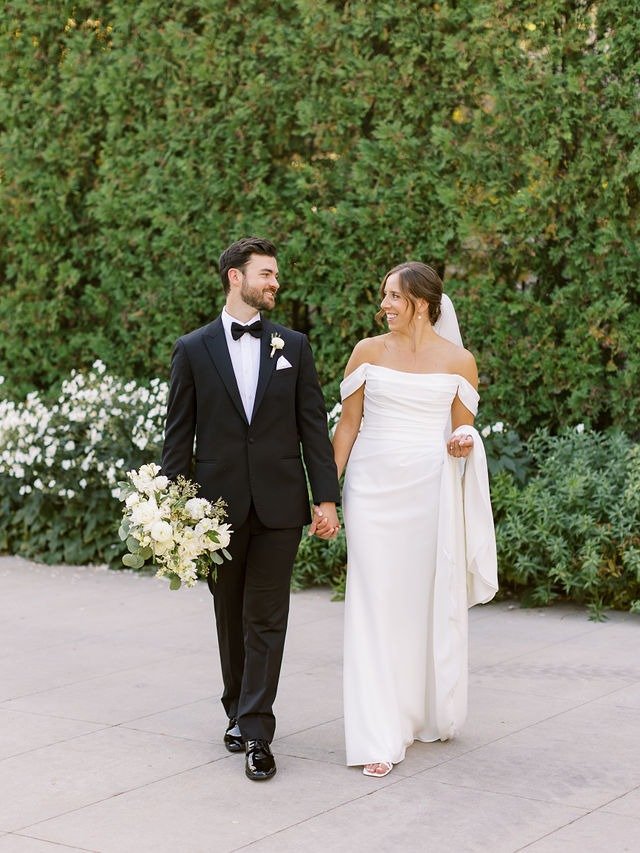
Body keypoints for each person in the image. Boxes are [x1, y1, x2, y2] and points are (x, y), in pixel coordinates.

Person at [161, 236, 340, 781]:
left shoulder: (295, 346)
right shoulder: (192, 349)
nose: (274, 283)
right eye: (265, 274)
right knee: (230, 616)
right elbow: (179, 435)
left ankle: (258, 731)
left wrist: (325, 498)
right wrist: (173, 512)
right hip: (217, 512)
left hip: (281, 506)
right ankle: (236, 707)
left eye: (276, 275)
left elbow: (313, 426)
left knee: (266, 618)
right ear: (235, 277)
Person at [331, 261, 498, 778]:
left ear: (423, 303)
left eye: (394, 297)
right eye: (384, 296)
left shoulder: (459, 361)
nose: (384, 305)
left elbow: (464, 432)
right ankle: (377, 732)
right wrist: (324, 496)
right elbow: (349, 423)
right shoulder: (366, 352)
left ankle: (416, 710)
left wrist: (463, 443)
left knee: (417, 602)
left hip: (429, 491)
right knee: (372, 602)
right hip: (371, 490)